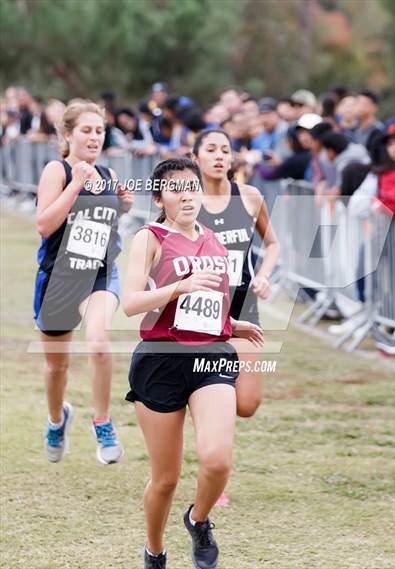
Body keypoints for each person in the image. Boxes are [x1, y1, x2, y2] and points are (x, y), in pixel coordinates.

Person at [123, 158, 263, 569]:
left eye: (192, 187)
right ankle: (154, 549)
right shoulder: (150, 237)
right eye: (176, 188)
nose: (187, 195)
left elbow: (206, 306)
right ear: (160, 198)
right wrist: (177, 286)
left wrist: (232, 323)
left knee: (217, 459)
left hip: (210, 358)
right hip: (160, 359)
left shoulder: (214, 241)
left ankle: (198, 519)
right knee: (165, 479)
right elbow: (131, 304)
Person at [34, 101, 133, 464]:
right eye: (86, 130)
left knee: (100, 343)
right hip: (59, 280)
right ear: (68, 135)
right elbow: (44, 226)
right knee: (57, 367)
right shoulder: (56, 171)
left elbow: (103, 226)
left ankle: (102, 422)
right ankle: (57, 419)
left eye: (99, 130)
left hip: (99, 275)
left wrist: (121, 206)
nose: (94, 137)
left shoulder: (107, 173)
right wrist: (75, 184)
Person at [193, 128, 279, 417]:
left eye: (225, 150)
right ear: (195, 157)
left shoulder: (250, 196)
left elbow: (273, 244)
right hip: (198, 309)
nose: (219, 156)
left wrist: (263, 275)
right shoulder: (185, 202)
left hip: (242, 307)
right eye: (211, 150)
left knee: (247, 404)